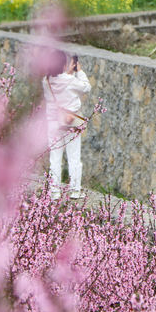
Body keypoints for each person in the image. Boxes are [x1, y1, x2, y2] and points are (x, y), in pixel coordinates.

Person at [44, 50, 92, 200]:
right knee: (74, 157)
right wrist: (79, 71)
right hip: (70, 123)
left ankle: (54, 191)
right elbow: (86, 87)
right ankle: (75, 190)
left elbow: (60, 83)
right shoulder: (70, 80)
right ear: (65, 64)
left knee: (55, 158)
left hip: (53, 123)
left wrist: (68, 73)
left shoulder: (45, 81)